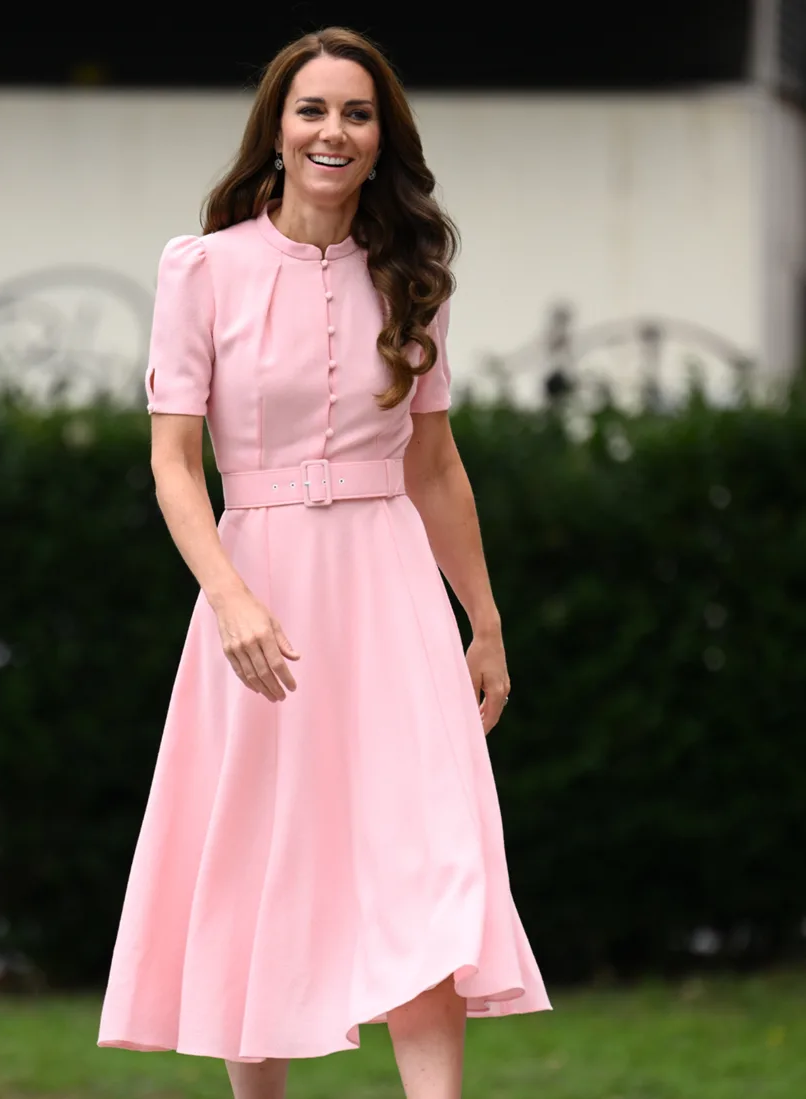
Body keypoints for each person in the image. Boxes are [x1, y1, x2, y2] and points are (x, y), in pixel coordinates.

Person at [98, 26, 550, 1099]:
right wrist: (230, 598)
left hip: (391, 593)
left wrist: (481, 621)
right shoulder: (201, 268)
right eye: (313, 110)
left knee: (429, 853)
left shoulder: (414, 277)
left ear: (381, 139)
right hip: (261, 589)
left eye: (356, 113)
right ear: (277, 130)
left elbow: (435, 465)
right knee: (262, 851)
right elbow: (173, 463)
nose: (333, 132)